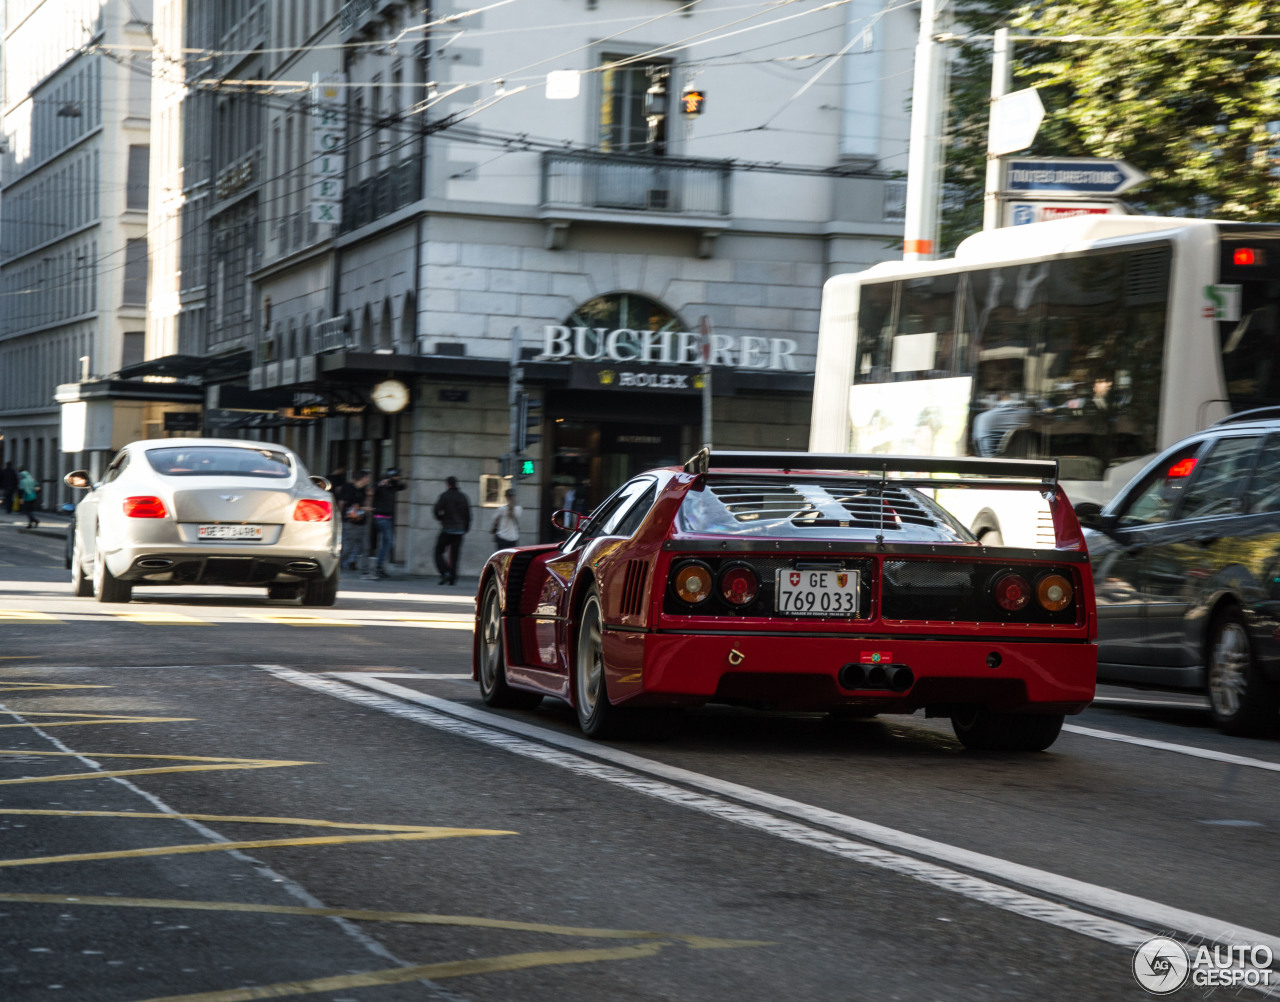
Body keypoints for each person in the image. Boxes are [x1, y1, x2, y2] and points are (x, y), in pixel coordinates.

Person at [433, 475, 471, 585]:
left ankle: (445, 572)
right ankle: (453, 578)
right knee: (455, 555)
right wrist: (466, 528)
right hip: (459, 530)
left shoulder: (444, 496)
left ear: (448, 484)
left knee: (438, 552)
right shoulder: (463, 497)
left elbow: (436, 510)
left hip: (447, 529)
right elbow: (468, 515)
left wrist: (441, 519)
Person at [370, 467, 406, 579]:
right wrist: (380, 484)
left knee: (387, 543)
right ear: (390, 476)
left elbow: (403, 486)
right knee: (389, 542)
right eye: (396, 476)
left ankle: (379, 566)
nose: (398, 478)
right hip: (381, 517)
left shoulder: (392, 486)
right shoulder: (381, 486)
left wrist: (393, 482)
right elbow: (373, 491)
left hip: (388, 518)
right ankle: (378, 567)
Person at [336, 469, 371, 572]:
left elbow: (365, 504)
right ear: (362, 478)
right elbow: (341, 503)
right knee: (348, 548)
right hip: (350, 523)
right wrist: (340, 518)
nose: (369, 479)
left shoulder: (364, 490)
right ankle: (337, 565)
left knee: (366, 548)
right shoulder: (348, 488)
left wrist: (369, 497)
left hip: (362, 522)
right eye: (367, 477)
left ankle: (365, 570)